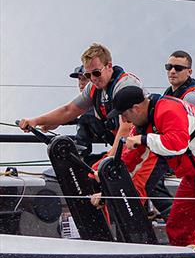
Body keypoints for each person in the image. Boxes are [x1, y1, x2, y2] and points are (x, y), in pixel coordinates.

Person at [18, 44, 171, 216]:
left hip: (149, 145)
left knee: (134, 187)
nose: (93, 79)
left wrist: (111, 162)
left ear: (109, 66)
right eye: (88, 75)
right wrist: (36, 120)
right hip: (128, 146)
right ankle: (100, 232)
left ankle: (140, 235)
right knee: (92, 176)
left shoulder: (124, 85)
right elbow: (69, 110)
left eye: (96, 73)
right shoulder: (94, 88)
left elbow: (126, 126)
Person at [113, 86, 195, 251]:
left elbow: (177, 144)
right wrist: (106, 182)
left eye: (125, 115)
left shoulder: (168, 110)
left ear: (136, 109)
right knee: (177, 228)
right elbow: (130, 158)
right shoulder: (145, 120)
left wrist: (144, 139)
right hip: (194, 173)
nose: (125, 121)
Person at [69, 66, 107, 163]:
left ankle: (78, 155)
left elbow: (71, 113)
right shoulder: (86, 103)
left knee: (85, 119)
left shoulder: (101, 96)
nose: (80, 83)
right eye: (79, 79)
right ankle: (82, 159)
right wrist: (56, 121)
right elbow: (69, 112)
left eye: (84, 79)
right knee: (89, 163)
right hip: (107, 133)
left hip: (115, 132)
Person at [163, 50, 195, 117]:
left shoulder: (193, 98)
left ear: (189, 72)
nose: (172, 71)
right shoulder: (168, 94)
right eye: (169, 67)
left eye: (178, 68)